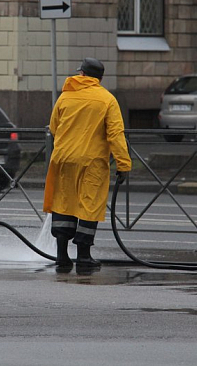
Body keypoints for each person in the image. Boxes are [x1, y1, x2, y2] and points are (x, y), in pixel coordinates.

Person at [43, 57, 132, 269]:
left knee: (63, 204)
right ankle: (83, 256)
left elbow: (54, 128)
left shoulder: (65, 97)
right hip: (91, 162)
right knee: (88, 206)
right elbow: (116, 135)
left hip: (64, 159)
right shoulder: (107, 100)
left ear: (82, 74)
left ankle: (61, 256)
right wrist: (123, 164)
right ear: (99, 78)